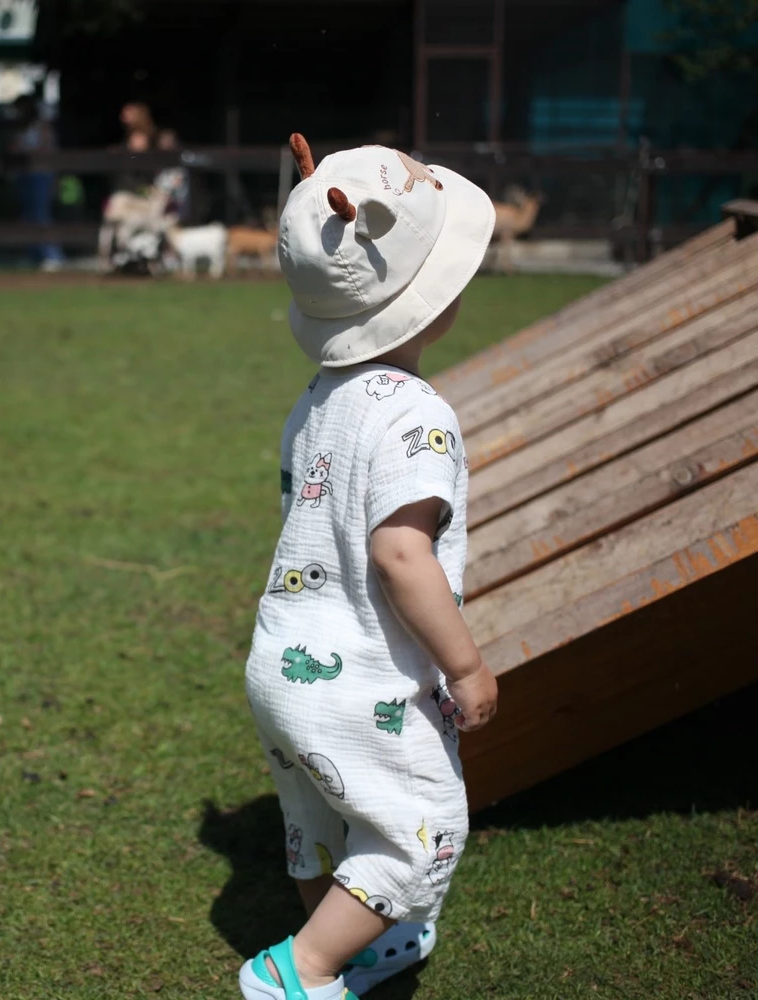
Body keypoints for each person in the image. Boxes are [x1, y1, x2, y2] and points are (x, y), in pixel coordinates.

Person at [241, 134, 499, 1000]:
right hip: (360, 677)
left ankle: (341, 943)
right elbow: (399, 552)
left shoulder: (315, 401)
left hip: (281, 662)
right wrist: (463, 664)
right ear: (437, 300)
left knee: (317, 821)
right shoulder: (418, 413)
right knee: (422, 826)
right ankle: (300, 970)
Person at [10, 93, 63, 271]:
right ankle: (34, 255)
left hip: (41, 174)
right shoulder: (21, 128)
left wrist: (26, 150)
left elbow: (45, 148)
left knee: (41, 214)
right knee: (28, 215)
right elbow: (14, 148)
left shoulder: (42, 126)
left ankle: (52, 255)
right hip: (24, 174)